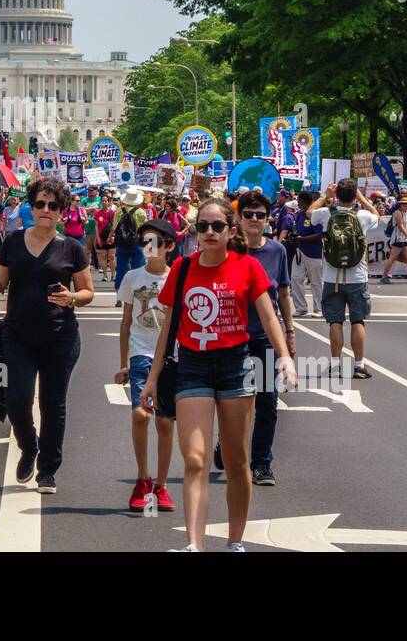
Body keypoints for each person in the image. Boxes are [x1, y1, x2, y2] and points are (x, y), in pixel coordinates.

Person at [140, 197, 297, 552]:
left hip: (235, 366)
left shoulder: (247, 267)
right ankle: (195, 545)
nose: (209, 232)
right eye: (202, 226)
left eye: (217, 226)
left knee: (237, 460)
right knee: (195, 459)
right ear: (195, 232)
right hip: (192, 365)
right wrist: (152, 377)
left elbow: (269, 316)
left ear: (230, 230)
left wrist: (285, 355)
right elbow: (167, 328)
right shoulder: (181, 268)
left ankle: (234, 542)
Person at [0, 177, 94, 494]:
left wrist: (71, 298)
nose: (46, 210)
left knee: (53, 405)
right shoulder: (13, 241)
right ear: (31, 207)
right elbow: (0, 284)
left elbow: (87, 291)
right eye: (40, 204)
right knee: (17, 400)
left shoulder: (71, 247)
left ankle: (47, 470)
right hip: (17, 334)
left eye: (53, 205)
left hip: (60, 337)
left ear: (62, 211)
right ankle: (28, 446)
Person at [213, 189, 295, 486]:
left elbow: (283, 294)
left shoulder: (277, 251)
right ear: (239, 217)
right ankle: (226, 439)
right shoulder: (228, 251)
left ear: (268, 218)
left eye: (260, 215)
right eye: (249, 214)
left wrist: (289, 334)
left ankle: (261, 463)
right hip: (231, 335)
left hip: (263, 337)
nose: (255, 220)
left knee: (267, 400)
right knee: (231, 399)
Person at [115, 218, 178, 512]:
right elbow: (126, 323)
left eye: (155, 242)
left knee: (165, 422)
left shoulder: (178, 278)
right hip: (141, 354)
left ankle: (161, 486)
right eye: (145, 242)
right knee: (142, 415)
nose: (149, 248)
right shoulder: (132, 278)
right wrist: (124, 362)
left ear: (169, 246)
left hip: (171, 356)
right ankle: (142, 478)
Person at [308, 179, 379, 379]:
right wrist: (362, 199)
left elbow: (309, 213)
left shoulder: (325, 214)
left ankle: (335, 364)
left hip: (332, 278)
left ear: (337, 195)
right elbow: (377, 215)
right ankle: (358, 365)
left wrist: (325, 196)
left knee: (335, 322)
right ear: (354, 195)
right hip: (357, 276)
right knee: (358, 320)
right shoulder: (363, 216)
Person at [290, 190, 324, 316]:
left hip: (314, 253)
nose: (297, 202)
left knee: (316, 281)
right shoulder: (299, 214)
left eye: (299, 200)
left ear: (304, 201)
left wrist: (303, 239)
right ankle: (301, 308)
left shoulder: (314, 215)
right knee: (296, 278)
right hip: (300, 251)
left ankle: (319, 308)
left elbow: (321, 234)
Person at [111, 187, 148, 296]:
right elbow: (144, 229)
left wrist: (110, 237)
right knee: (138, 268)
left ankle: (118, 295)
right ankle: (136, 291)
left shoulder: (119, 211)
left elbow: (114, 228)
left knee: (121, 268)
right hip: (137, 243)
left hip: (122, 243)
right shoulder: (141, 212)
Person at [380, 196, 407, 283]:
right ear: (400, 205)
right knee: (392, 258)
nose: (406, 206)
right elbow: (400, 226)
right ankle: (384, 277)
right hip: (398, 239)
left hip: (403, 240)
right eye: (404, 204)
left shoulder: (404, 213)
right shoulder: (397, 213)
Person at [93, 192, 117, 281]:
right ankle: (105, 275)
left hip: (111, 238)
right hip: (101, 238)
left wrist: (112, 237)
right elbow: (96, 226)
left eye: (105, 201)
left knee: (112, 257)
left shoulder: (112, 213)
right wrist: (98, 238)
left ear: (108, 202)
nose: (104, 202)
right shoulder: (97, 213)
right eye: (102, 201)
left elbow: (115, 226)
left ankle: (113, 274)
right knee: (103, 257)